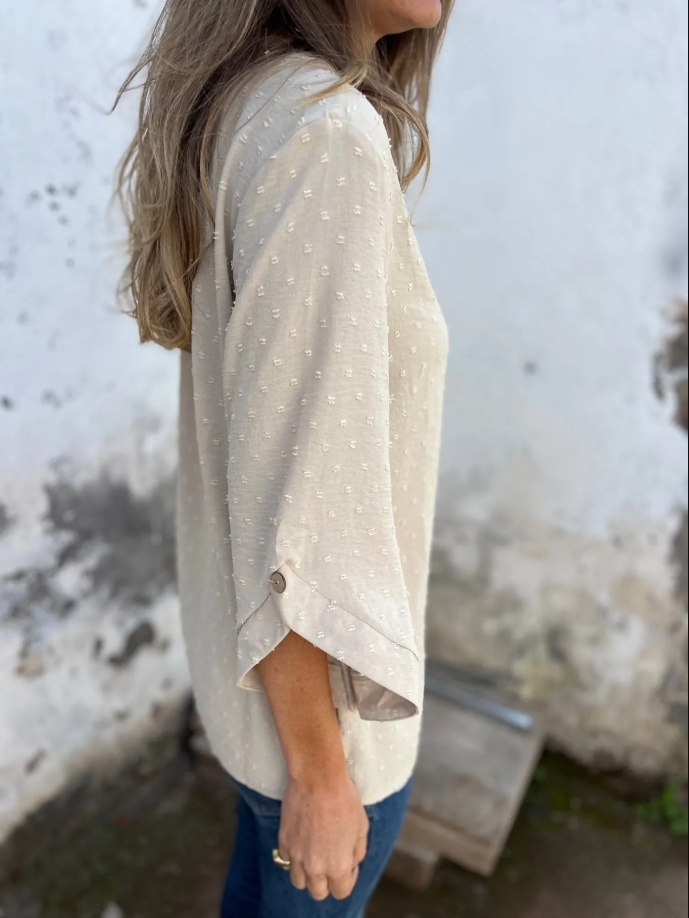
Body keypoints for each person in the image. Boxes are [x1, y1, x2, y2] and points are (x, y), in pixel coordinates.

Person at [114, 2, 452, 915]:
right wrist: (320, 776)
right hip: (324, 735)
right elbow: (294, 504)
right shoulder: (323, 134)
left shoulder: (254, 99)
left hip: (262, 710)